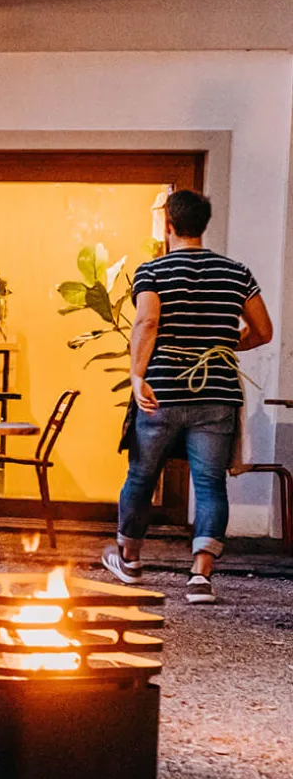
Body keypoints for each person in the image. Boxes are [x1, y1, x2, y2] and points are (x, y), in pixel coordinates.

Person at [102, 189, 273, 604]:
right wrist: (223, 345)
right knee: (210, 483)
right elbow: (263, 331)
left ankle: (130, 561)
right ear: (203, 225)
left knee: (141, 476)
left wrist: (137, 376)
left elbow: (147, 322)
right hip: (217, 394)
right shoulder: (237, 273)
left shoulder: (152, 271)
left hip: (161, 392)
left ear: (169, 225)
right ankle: (200, 576)